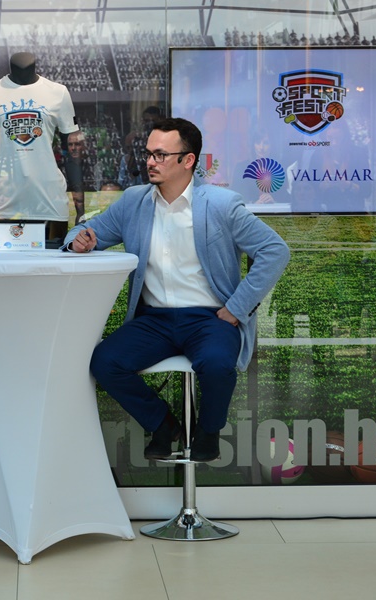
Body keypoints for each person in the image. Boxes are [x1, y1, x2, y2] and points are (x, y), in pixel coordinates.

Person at [63, 117, 290, 462]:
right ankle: (164, 424)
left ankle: (208, 431)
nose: (150, 162)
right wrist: (77, 242)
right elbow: (84, 233)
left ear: (188, 160)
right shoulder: (134, 201)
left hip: (210, 318)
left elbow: (275, 251)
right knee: (105, 362)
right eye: (148, 154)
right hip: (154, 320)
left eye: (160, 155)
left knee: (217, 364)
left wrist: (237, 307)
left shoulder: (221, 204)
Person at [0, 52, 84, 249]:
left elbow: (73, 156)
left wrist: (81, 212)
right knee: (5, 269)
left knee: (50, 268)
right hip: (5, 206)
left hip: (50, 205)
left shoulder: (58, 93)